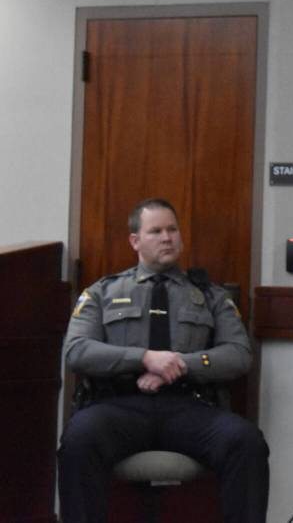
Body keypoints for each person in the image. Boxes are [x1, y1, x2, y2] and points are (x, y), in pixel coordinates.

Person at [59, 198, 269, 522]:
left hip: (188, 407)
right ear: (135, 241)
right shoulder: (102, 292)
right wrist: (143, 358)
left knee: (246, 441)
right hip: (120, 406)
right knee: (77, 440)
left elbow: (238, 354)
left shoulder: (211, 296)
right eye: (155, 231)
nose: (167, 237)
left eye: (172, 229)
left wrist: (178, 364)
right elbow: (77, 350)